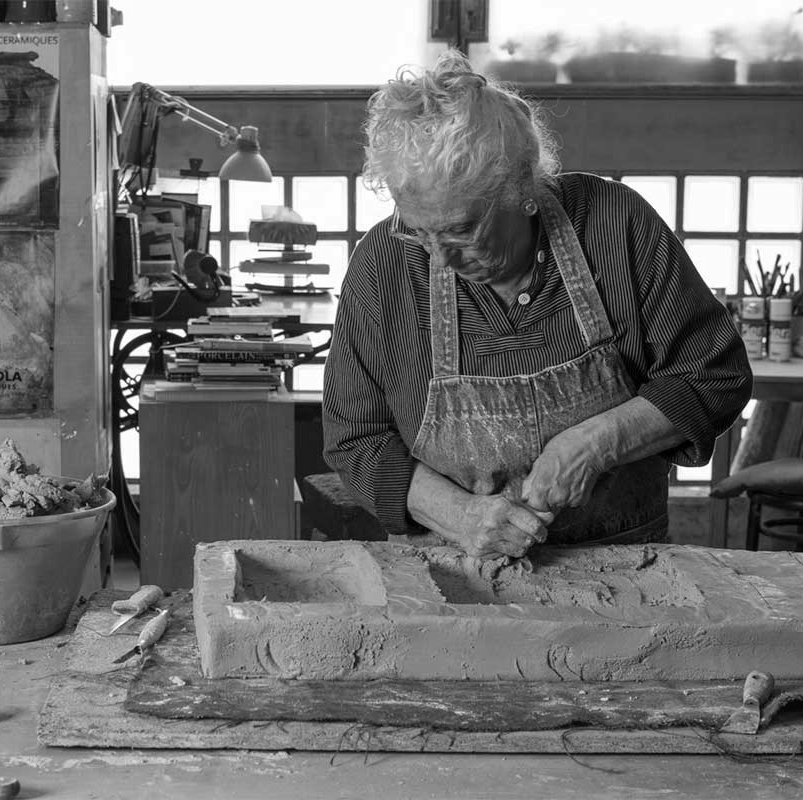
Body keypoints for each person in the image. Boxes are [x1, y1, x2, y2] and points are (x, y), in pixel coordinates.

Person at [322, 52, 752, 560]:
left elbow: (714, 374)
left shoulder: (615, 224)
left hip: (620, 564)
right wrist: (459, 515)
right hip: (445, 565)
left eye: (462, 229)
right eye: (418, 229)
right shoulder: (384, 265)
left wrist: (597, 444)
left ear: (524, 188)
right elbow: (355, 439)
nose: (440, 255)